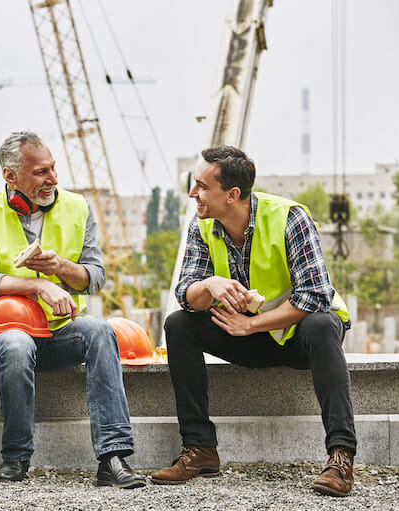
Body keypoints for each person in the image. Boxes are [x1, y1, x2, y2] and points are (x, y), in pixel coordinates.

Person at [152, 146, 356, 497]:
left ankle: (340, 456)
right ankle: (200, 449)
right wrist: (209, 284)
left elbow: (315, 296)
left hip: (299, 337)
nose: (192, 193)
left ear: (232, 195)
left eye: (201, 186)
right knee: (179, 325)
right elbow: (185, 294)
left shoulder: (290, 217)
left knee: (323, 324)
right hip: (247, 335)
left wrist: (251, 324)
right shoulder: (201, 226)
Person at [0, 131, 145, 488]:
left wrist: (60, 268)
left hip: (59, 330)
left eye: (53, 168)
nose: (53, 179)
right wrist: (38, 285)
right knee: (16, 346)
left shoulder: (77, 208)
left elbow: (94, 278)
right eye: (41, 171)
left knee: (101, 331)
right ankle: (15, 457)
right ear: (10, 176)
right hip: (1, 334)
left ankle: (113, 457)